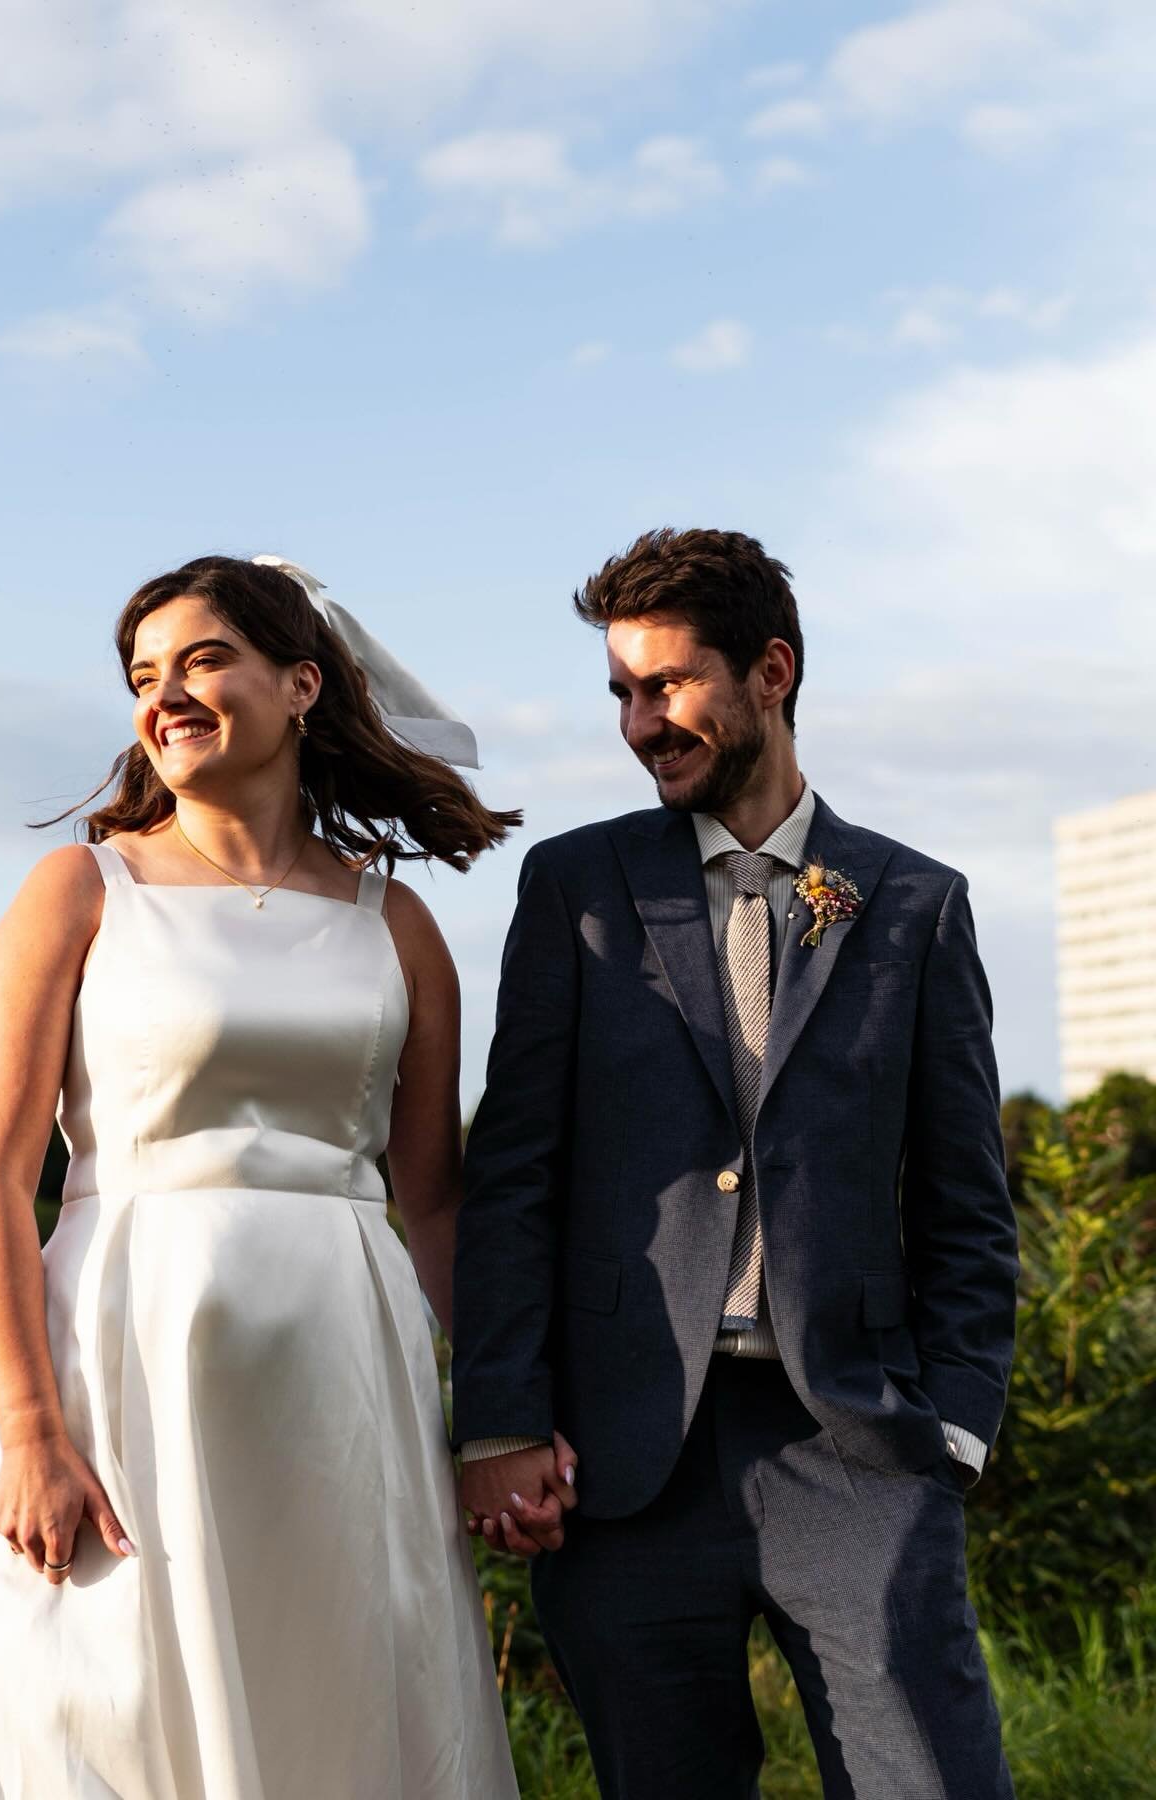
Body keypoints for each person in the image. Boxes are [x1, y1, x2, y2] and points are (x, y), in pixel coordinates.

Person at [0, 555, 522, 1799]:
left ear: (301, 687)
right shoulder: (81, 891)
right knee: (96, 1709)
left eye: (199, 661)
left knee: (335, 1705)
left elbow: (435, 1200)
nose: (164, 696)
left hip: (345, 1384)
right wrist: (30, 1428)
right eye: (142, 676)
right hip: (119, 1371)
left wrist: (497, 1422)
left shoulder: (396, 926)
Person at [453, 528, 1019, 1798]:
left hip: (858, 1449)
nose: (640, 722)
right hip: (625, 1457)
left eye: (668, 685)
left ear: (771, 671)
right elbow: (516, 1172)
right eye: (621, 692)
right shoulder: (576, 889)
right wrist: (497, 1415)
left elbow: (966, 1203)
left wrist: (958, 1432)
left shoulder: (916, 903)